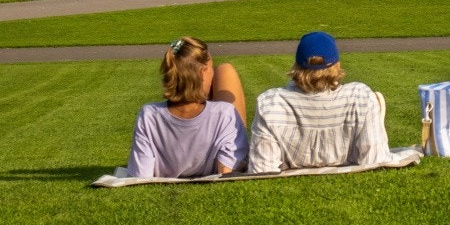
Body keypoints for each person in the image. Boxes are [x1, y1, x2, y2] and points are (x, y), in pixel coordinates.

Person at [248, 31, 392, 173]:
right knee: (369, 103)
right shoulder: (360, 97)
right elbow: (376, 161)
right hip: (349, 150)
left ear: (296, 65)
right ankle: (374, 125)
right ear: (337, 65)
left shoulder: (270, 103)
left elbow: (262, 169)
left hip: (291, 163)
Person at [126, 36, 248, 179]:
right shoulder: (225, 113)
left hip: (171, 153)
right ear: (203, 72)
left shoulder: (148, 115)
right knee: (225, 70)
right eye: (210, 69)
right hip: (218, 131)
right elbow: (227, 171)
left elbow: (140, 175)